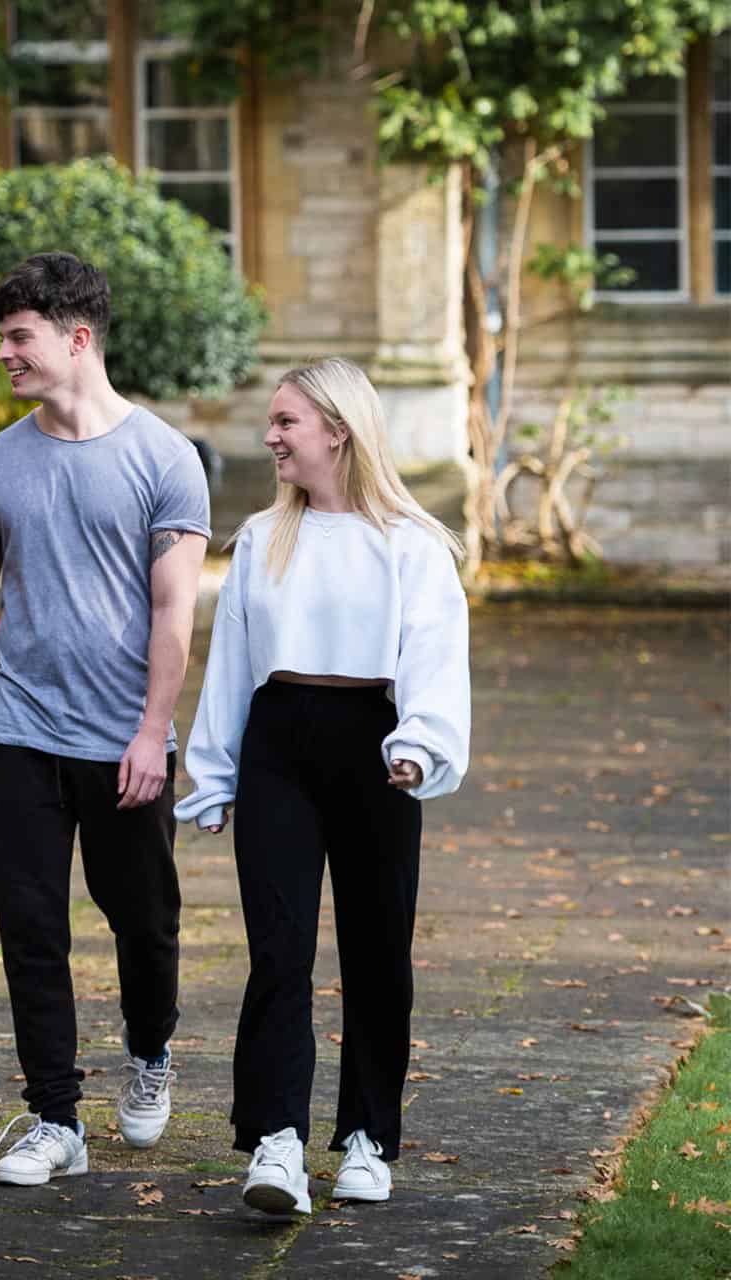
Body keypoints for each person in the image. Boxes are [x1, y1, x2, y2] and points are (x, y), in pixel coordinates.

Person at [0, 252, 210, 1186]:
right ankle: (54, 1115)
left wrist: (150, 731)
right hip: (17, 735)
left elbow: (176, 612)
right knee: (30, 928)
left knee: (146, 922)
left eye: (20, 337)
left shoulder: (165, 458)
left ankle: (150, 1051)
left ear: (76, 337)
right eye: (3, 337)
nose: (5, 354)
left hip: (124, 740)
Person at [175, 357, 469, 1216]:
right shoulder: (264, 539)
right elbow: (231, 669)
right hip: (279, 750)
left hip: (378, 751)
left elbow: (435, 658)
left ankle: (369, 1140)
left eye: (285, 423)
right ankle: (277, 1142)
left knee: (379, 953)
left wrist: (418, 745)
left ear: (337, 430)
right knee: (278, 950)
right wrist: (214, 775)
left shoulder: (413, 545)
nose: (269, 437)